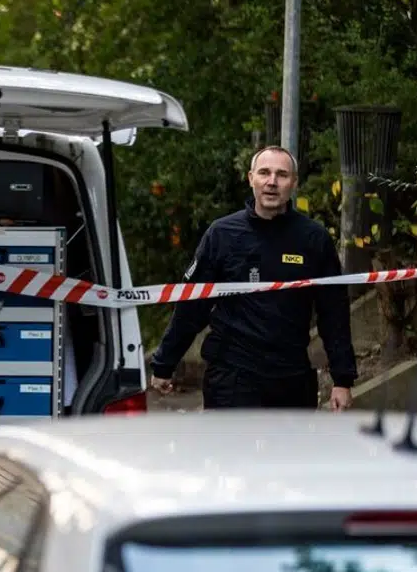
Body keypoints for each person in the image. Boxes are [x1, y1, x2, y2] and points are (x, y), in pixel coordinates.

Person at [148, 145, 356, 411]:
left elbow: (334, 313)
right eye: (264, 173)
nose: (272, 182)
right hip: (232, 377)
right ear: (251, 179)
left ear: (293, 182)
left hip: (290, 379)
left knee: (290, 454)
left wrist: (342, 379)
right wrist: (165, 362)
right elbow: (192, 305)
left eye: (281, 175)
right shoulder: (222, 234)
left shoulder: (313, 239)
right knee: (232, 454)